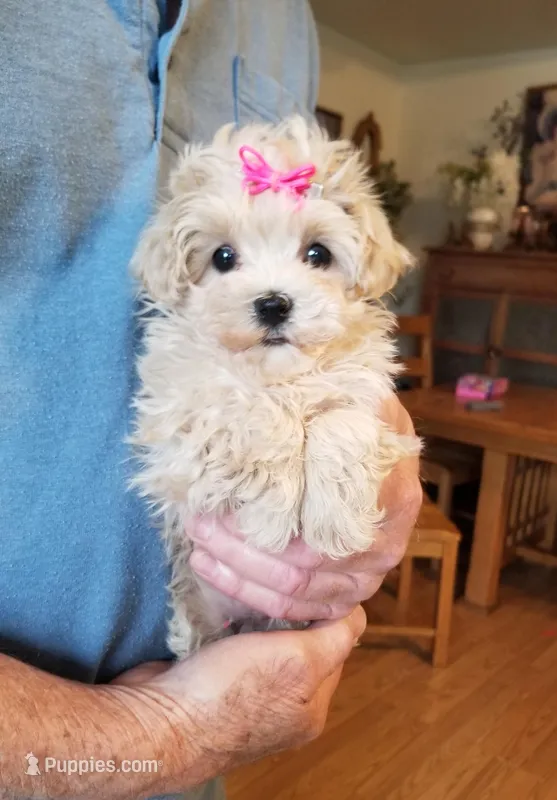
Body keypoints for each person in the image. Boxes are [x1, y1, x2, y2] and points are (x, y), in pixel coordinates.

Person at [0, 1, 421, 798]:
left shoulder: (284, 19)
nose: (272, 289)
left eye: (314, 252)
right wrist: (159, 735)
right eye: (225, 256)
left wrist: (378, 441)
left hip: (212, 714)